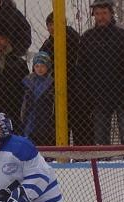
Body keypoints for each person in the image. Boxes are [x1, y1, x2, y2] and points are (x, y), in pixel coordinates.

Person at [77, 0, 124, 145]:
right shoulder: (87, 38)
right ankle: (101, 164)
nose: (101, 17)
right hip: (99, 96)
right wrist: (86, 94)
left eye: (104, 13)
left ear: (111, 14)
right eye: (98, 14)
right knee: (101, 141)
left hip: (122, 94)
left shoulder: (122, 36)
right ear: (94, 15)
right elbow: (82, 69)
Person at [40, 12, 92, 145]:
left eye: (54, 24)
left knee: (81, 127)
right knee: (59, 128)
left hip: (77, 92)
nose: (52, 28)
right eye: (49, 25)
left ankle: (82, 158)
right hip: (56, 93)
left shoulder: (74, 39)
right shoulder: (47, 45)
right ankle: (61, 156)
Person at [21, 51, 55, 146]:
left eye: (43, 66)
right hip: (31, 118)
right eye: (37, 66)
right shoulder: (28, 82)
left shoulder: (51, 82)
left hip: (46, 118)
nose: (40, 69)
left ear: (47, 67)